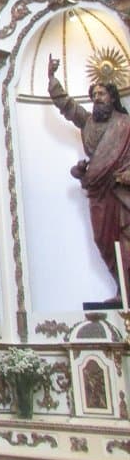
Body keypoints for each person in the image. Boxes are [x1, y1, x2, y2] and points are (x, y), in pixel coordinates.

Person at [48, 53, 130, 305]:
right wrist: (51, 78)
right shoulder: (88, 123)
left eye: (101, 94)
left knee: (127, 238)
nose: (97, 98)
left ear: (112, 97)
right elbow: (67, 107)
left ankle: (127, 293)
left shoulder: (125, 124)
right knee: (104, 241)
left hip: (122, 191)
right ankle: (122, 288)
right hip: (98, 190)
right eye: (94, 95)